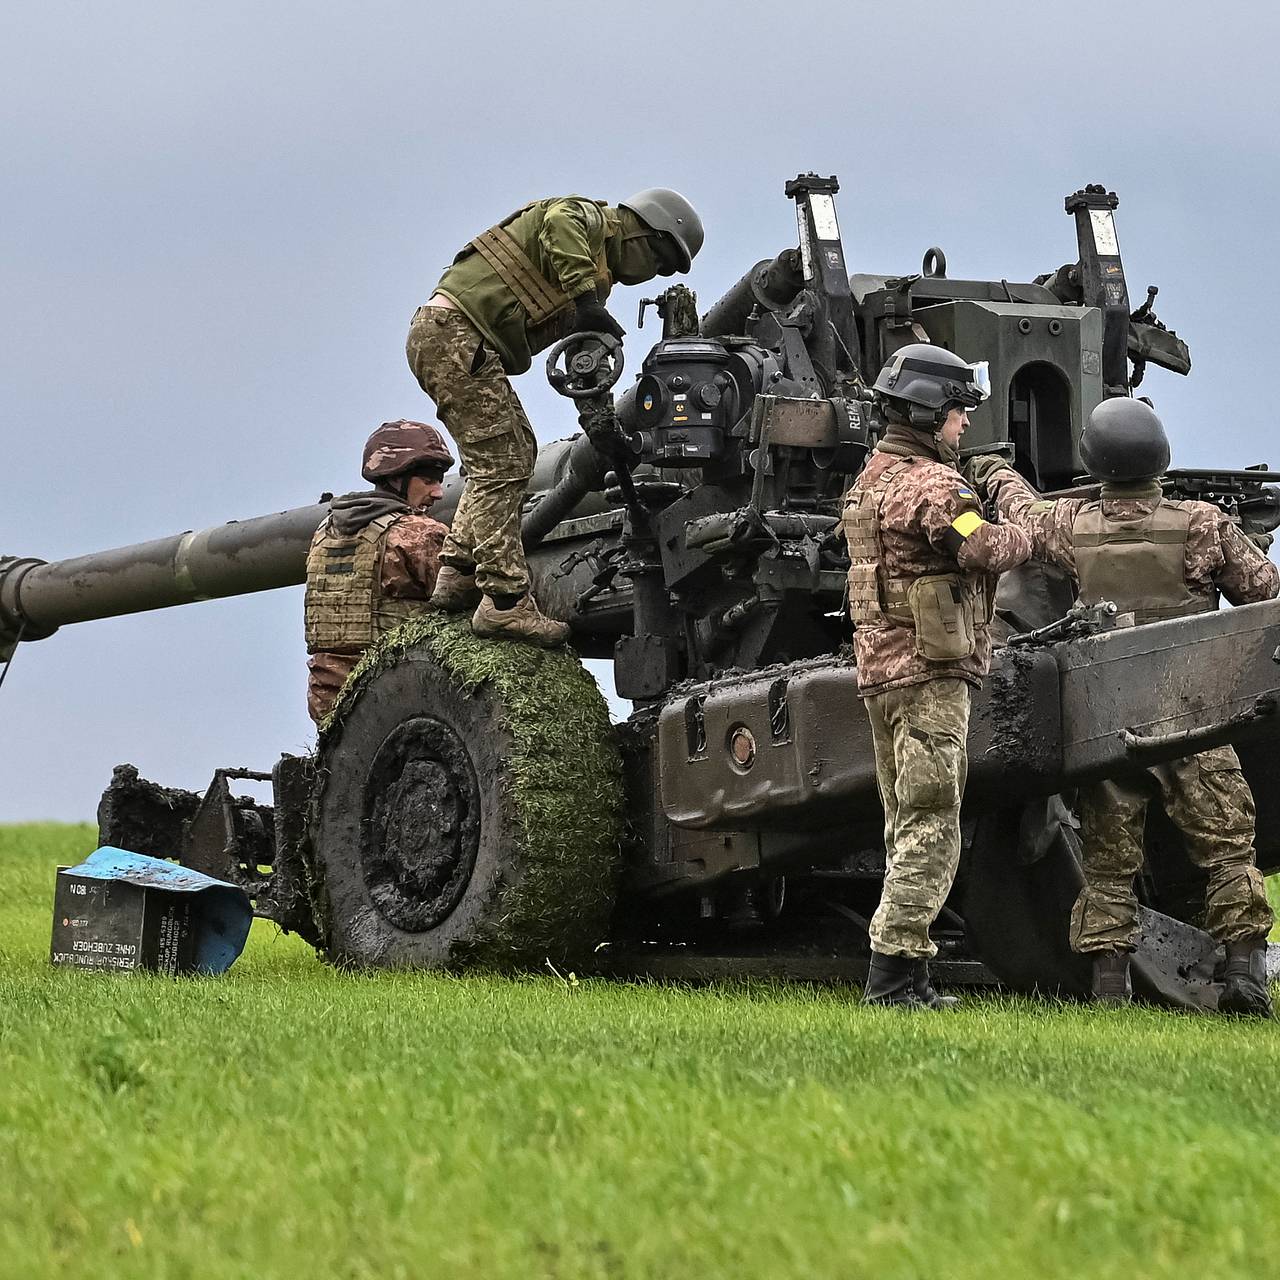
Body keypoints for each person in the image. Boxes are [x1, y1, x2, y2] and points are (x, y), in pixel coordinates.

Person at [967, 397, 1278, 1014]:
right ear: (1161, 456)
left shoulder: (1070, 526)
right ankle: (1244, 974)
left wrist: (994, 468)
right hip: (1195, 717)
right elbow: (1262, 596)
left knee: (1109, 860)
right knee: (1227, 848)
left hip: (1112, 722)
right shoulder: (1205, 525)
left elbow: (1023, 516)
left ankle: (1111, 987)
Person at [405, 189, 704, 646]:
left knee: (515, 453)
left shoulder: (591, 280)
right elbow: (558, 221)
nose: (653, 277)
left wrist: (602, 426)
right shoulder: (589, 220)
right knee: (501, 464)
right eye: (660, 263)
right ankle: (504, 603)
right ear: (645, 234)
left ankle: (459, 570)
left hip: (461, 345)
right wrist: (586, 301)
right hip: (454, 334)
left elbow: (582, 365)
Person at [844, 344, 1033, 1008]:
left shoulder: (871, 478)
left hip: (884, 675)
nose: (963, 427)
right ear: (930, 415)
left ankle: (913, 977)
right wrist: (1024, 522)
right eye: (958, 415)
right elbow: (984, 548)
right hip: (929, 675)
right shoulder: (930, 483)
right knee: (931, 822)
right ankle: (891, 980)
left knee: (905, 819)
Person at [304, 419, 454, 723]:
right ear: (396, 477)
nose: (438, 492)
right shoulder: (419, 533)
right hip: (404, 694)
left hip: (332, 707)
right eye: (428, 479)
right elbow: (466, 601)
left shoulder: (325, 531)